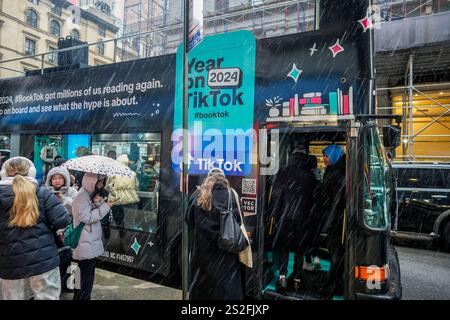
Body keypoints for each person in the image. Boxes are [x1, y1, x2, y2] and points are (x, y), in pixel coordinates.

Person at [0, 157, 71, 300]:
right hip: (44, 262)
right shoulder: (43, 193)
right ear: (32, 172)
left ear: (3, 174)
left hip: (9, 265)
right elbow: (63, 221)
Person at [185, 168, 249, 300]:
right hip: (225, 258)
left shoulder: (197, 195)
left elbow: (188, 221)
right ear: (223, 180)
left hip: (201, 258)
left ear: (207, 180)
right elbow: (239, 220)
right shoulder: (231, 195)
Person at [270, 145, 317, 291]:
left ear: (292, 155)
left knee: (284, 246)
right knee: (299, 249)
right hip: (302, 218)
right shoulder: (310, 175)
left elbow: (277, 195)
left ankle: (283, 276)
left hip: (285, 216)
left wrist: (273, 214)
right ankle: (297, 279)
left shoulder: (283, 171)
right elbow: (313, 199)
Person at [71, 173, 115, 300]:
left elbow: (89, 211)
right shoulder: (81, 196)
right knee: (86, 275)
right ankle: (82, 298)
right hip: (85, 240)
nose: (102, 185)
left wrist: (99, 202)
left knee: (82, 271)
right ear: (91, 182)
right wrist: (107, 206)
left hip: (88, 239)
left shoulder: (88, 194)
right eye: (100, 182)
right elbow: (87, 217)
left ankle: (78, 297)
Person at [319, 144, 346, 297]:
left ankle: (333, 284)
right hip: (334, 219)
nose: (324, 158)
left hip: (336, 222)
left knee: (336, 254)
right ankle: (333, 282)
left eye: (326, 155)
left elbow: (335, 203)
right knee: (335, 254)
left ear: (334, 156)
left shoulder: (338, 174)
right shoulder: (334, 169)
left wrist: (327, 223)